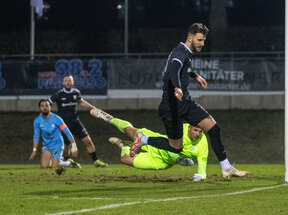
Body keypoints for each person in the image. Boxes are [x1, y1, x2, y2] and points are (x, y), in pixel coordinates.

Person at [130, 23, 248, 178]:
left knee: (214, 128)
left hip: (184, 103)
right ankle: (143, 139)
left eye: (204, 40)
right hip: (171, 106)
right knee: (176, 147)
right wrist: (177, 87)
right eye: (199, 40)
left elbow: (184, 69)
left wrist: (195, 76)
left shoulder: (183, 52)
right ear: (190, 37)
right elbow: (174, 68)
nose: (202, 44)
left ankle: (226, 168)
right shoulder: (180, 53)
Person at [90, 108, 207, 181]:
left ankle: (125, 146)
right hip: (156, 142)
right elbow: (172, 146)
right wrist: (179, 159)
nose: (198, 134)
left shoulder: (202, 143)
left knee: (124, 159)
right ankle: (109, 118)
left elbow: (202, 161)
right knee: (129, 130)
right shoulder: (180, 129)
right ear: (189, 127)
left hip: (160, 162)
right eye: (195, 130)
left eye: (200, 131)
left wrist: (202, 175)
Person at [49, 75, 108, 167]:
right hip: (64, 125)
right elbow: (48, 102)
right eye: (66, 81)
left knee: (88, 141)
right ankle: (68, 162)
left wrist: (93, 107)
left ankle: (96, 161)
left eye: (70, 80)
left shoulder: (76, 93)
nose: (68, 82)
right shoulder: (58, 94)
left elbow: (81, 101)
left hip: (76, 123)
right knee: (66, 147)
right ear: (63, 83)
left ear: (73, 82)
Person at [29, 99, 81, 174]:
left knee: (54, 166)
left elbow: (66, 131)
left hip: (58, 145)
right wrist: (34, 150)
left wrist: (73, 144)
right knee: (44, 166)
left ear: (50, 107)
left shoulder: (57, 119)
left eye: (47, 105)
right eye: (42, 106)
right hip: (47, 146)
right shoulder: (37, 121)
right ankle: (64, 162)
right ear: (40, 108)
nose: (45, 107)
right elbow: (36, 136)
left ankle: (69, 163)